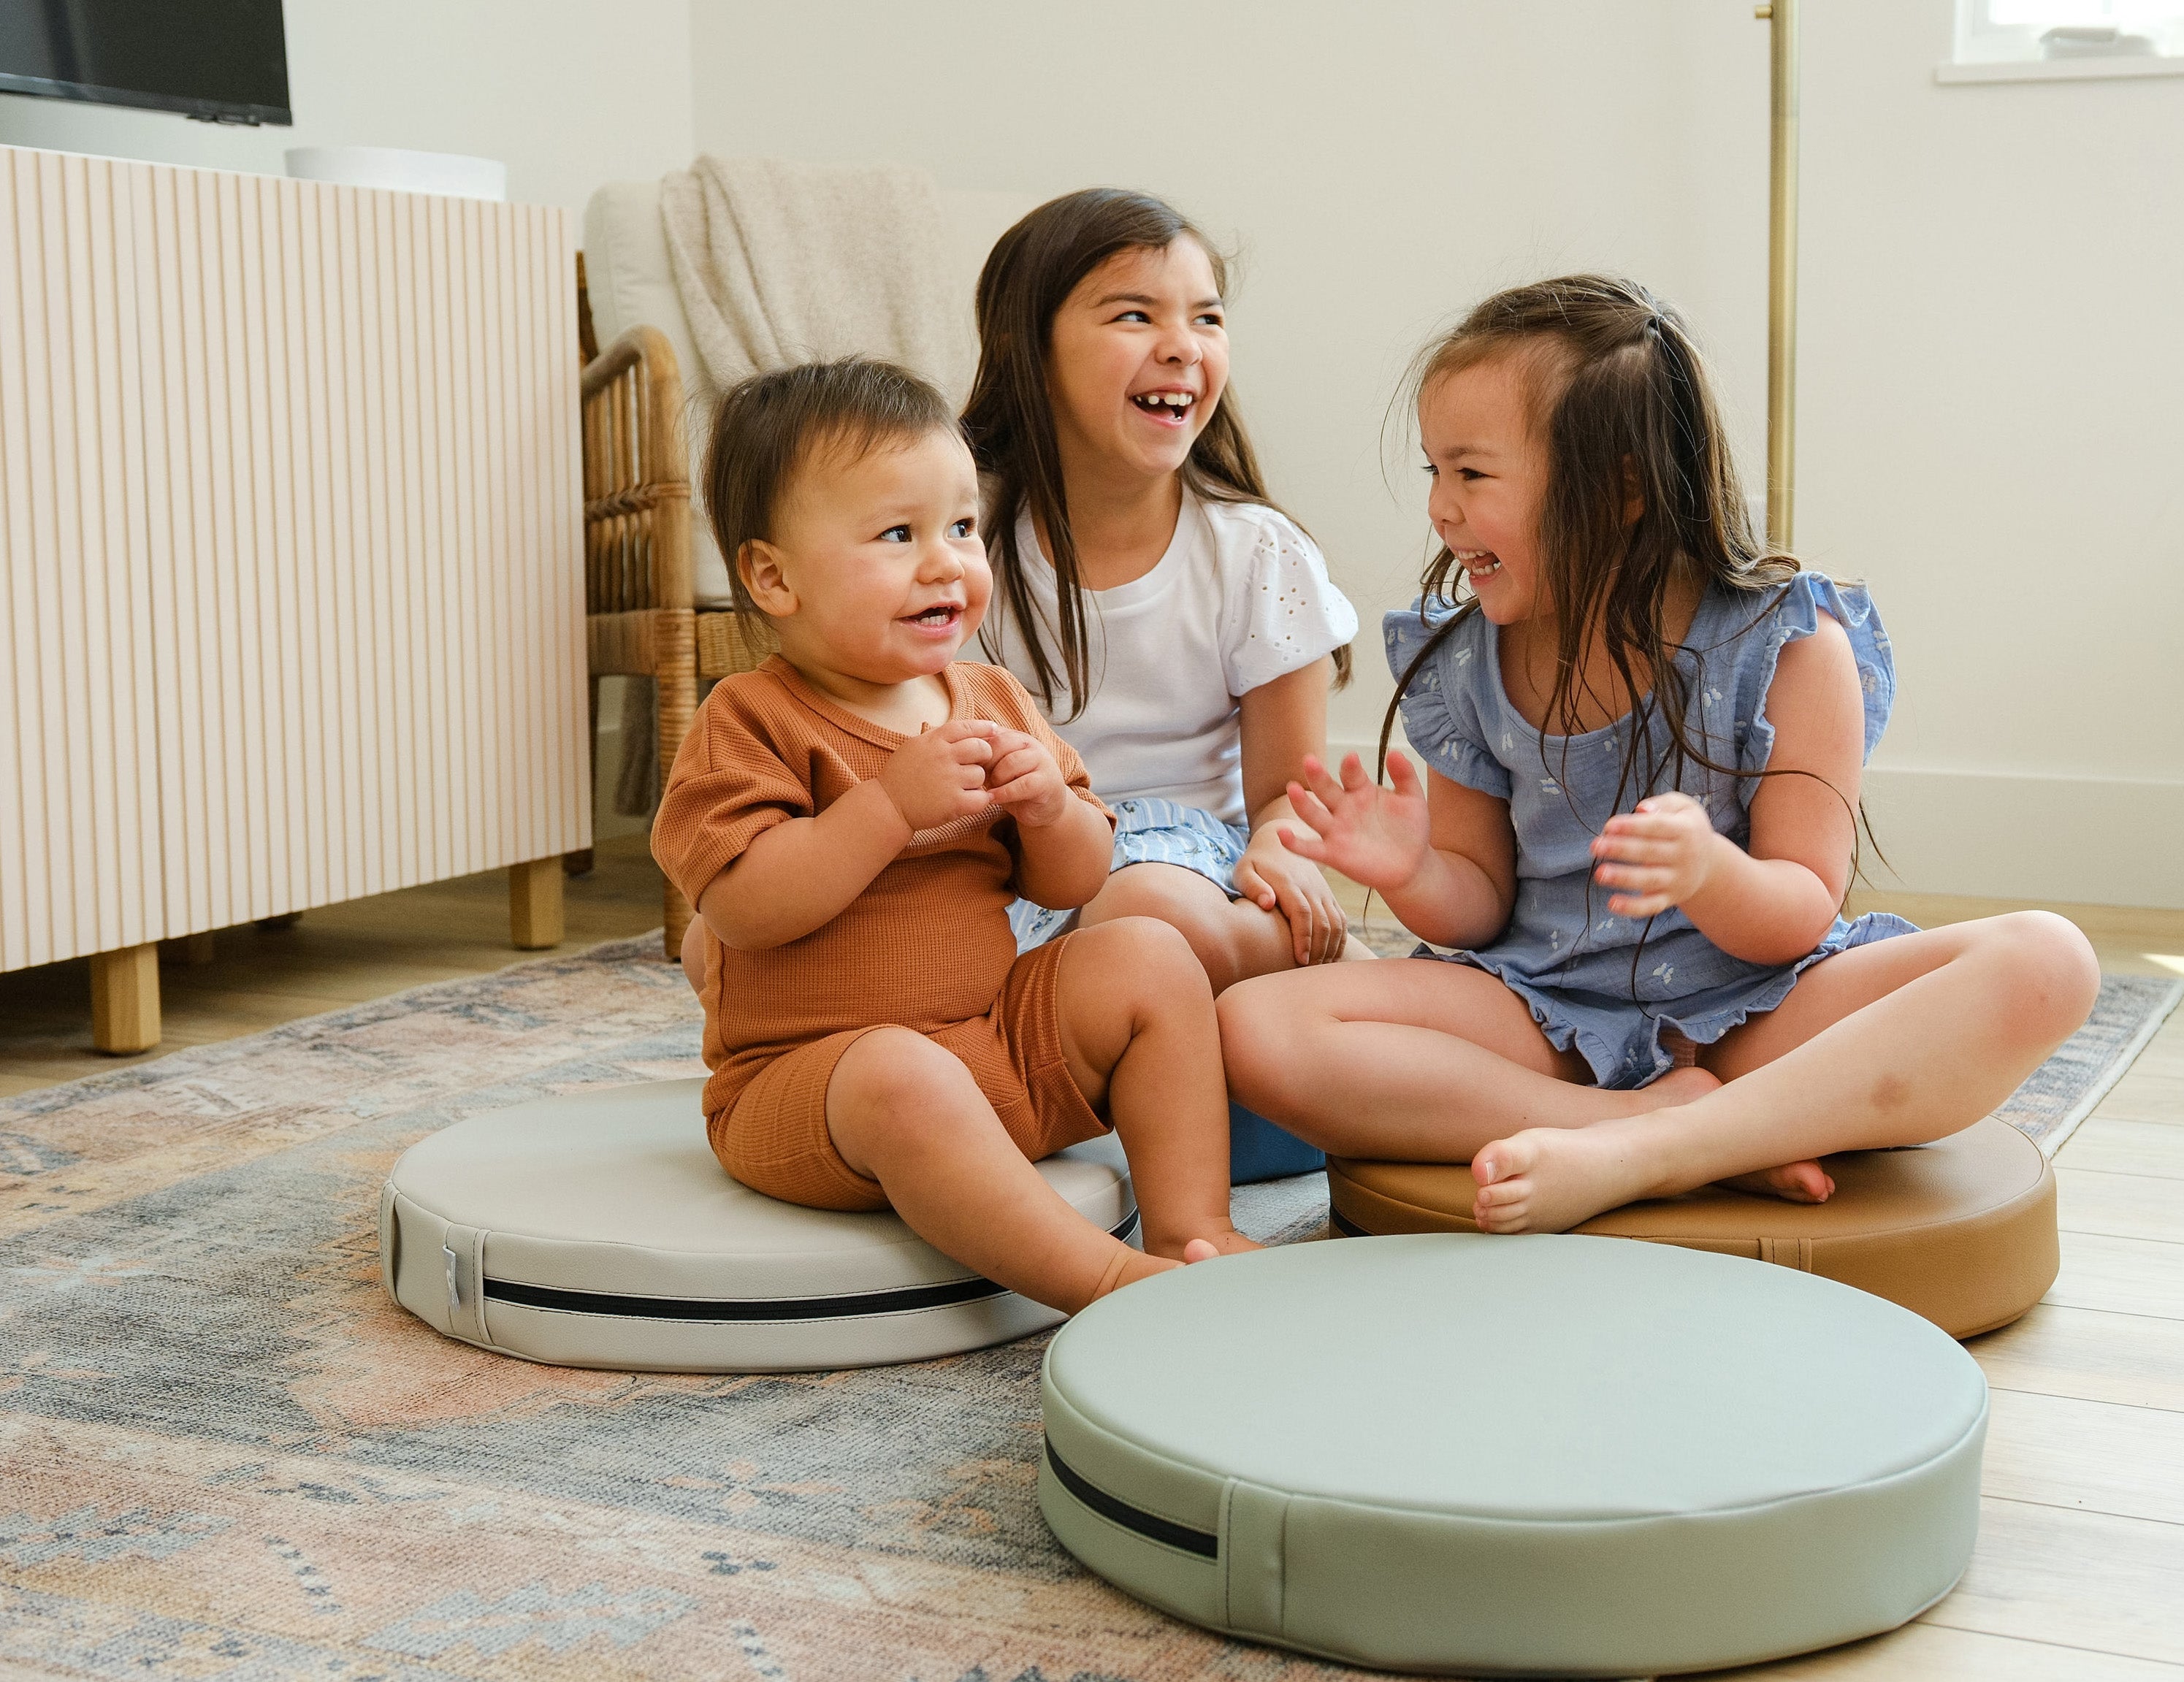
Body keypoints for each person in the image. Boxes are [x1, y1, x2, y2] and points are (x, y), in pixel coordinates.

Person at [1219, 275, 2100, 1235]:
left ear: (1622, 486)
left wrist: (1709, 873)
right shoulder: (1467, 657)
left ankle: (1663, 1150)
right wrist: (1414, 869)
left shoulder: (1790, 643)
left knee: (2047, 960)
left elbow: (1800, 908)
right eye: (1434, 471)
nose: (1438, 507)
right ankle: (1639, 1122)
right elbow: (1478, 909)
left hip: (1758, 1015)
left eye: (1471, 475)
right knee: (1256, 1025)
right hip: (1545, 1014)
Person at [652, 356, 1254, 1312]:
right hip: (816, 1092)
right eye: (898, 534)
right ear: (773, 576)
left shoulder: (990, 697)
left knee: (1146, 952)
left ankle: (1197, 1229)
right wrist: (888, 806)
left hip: (988, 1051)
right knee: (900, 1070)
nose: (946, 563)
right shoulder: (750, 718)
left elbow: (1075, 883)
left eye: (962, 528)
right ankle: (1106, 1280)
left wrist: (1048, 811)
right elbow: (744, 908)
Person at [963, 188, 1364, 992]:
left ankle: (1327, 983)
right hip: (1022, 875)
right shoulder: (965, 541)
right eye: (1134, 316)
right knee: (739, 952)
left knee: (1141, 909)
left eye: (1207, 318)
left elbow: (1288, 795)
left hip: (1183, 861)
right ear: (1025, 347)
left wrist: (1279, 850)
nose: (1184, 346)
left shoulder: (1254, 552)